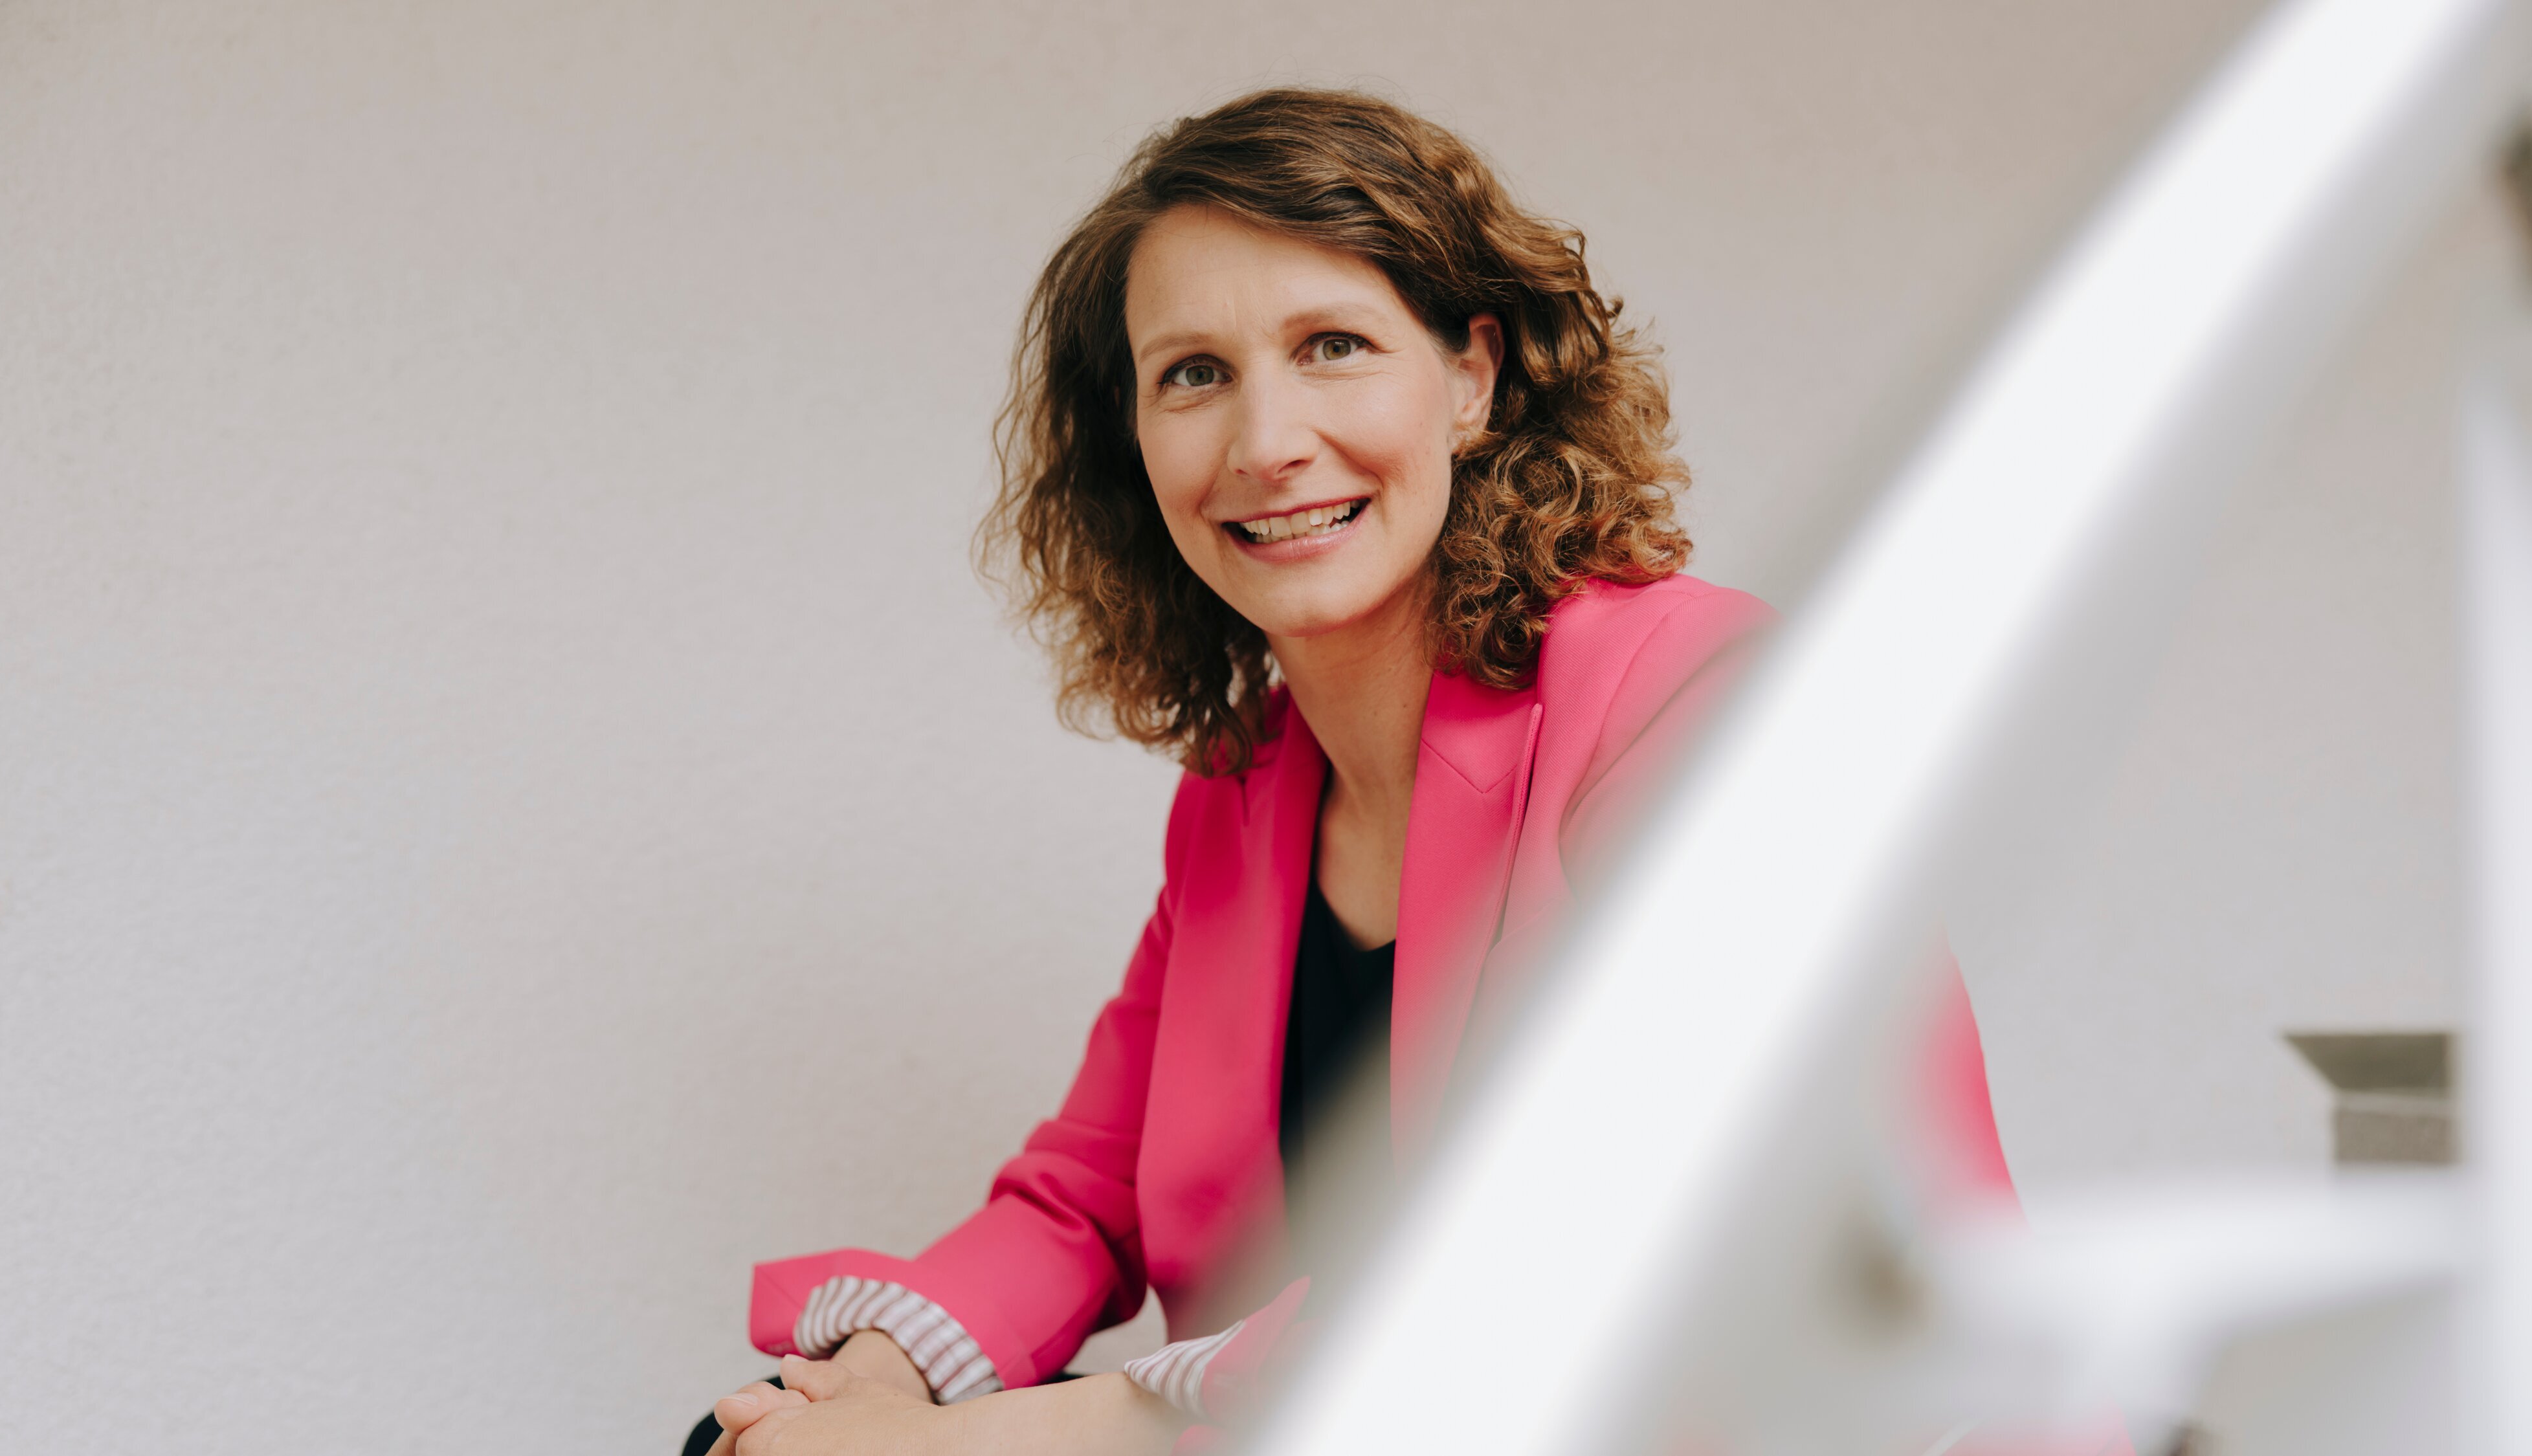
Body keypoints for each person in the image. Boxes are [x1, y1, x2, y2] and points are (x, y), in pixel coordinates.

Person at [694, 87, 2016, 1456]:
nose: (1264, 442)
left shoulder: (1685, 698)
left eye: (1331, 346)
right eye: (1191, 374)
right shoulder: (1245, 789)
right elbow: (1082, 1194)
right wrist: (872, 1384)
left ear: (1470, 378)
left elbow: (1576, 1250)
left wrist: (973, 1444)